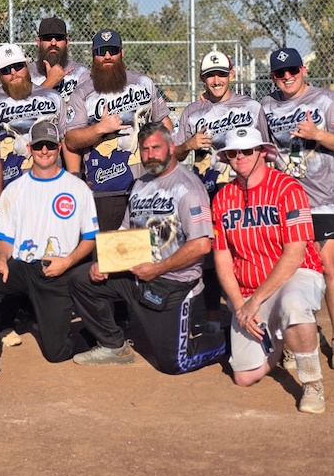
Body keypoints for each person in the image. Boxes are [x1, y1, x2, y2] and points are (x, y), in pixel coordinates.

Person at [70, 122, 227, 374]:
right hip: (137, 275)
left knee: (175, 363)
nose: (150, 154)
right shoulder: (140, 184)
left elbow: (201, 244)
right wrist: (106, 263)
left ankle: (229, 339)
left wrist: (157, 269)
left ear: (171, 147)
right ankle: (113, 345)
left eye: (156, 147)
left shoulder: (188, 187)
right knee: (82, 278)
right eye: (145, 149)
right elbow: (125, 231)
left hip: (173, 283)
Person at [210, 127, 327, 414]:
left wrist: (254, 302)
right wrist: (239, 305)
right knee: (244, 377)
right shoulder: (223, 198)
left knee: (293, 304)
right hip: (250, 290)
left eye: (248, 151)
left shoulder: (288, 189)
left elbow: (294, 255)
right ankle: (284, 338)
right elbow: (223, 259)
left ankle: (312, 382)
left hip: (295, 275)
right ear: (227, 158)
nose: (241, 157)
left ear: (262, 152)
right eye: (233, 153)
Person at [0, 121, 98, 385]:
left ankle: (87, 333)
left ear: (59, 148)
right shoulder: (14, 190)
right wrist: (1, 260)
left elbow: (89, 239)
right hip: (21, 267)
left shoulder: (78, 189)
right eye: (38, 145)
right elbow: (4, 238)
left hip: (57, 271)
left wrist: (68, 262)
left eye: (50, 146)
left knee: (57, 354)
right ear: (29, 148)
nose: (44, 150)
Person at [261, 47, 334, 370]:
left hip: (322, 200)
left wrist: (317, 134)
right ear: (273, 76)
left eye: (292, 71)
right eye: (279, 73)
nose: (287, 77)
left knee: (328, 266)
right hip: (285, 202)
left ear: (303, 70)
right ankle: (293, 338)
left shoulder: (327, 100)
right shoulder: (267, 106)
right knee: (287, 269)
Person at [172, 50, 270, 317]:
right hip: (207, 192)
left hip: (243, 192)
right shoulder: (192, 112)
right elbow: (175, 153)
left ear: (232, 75)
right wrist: (188, 145)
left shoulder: (251, 107)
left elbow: (266, 151)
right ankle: (214, 318)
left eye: (221, 74)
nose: (216, 80)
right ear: (202, 78)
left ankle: (257, 310)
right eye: (210, 75)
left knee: (248, 248)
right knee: (211, 256)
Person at [64, 28, 172, 231]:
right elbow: (71, 140)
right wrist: (100, 128)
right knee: (110, 255)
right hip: (106, 190)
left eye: (112, 50)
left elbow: (165, 124)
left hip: (148, 185)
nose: (107, 56)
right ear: (93, 55)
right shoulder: (82, 94)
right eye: (101, 51)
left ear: (121, 53)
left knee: (149, 253)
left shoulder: (143, 83)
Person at [0, 43, 68, 195]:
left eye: (18, 66)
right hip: (8, 191)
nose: (13, 72)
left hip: (51, 188)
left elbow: (65, 139)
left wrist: (73, 178)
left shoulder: (52, 97)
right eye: (6, 70)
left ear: (26, 65)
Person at [30, 17, 90, 101]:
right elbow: (19, 108)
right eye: (48, 38)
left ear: (67, 42)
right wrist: (50, 82)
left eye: (58, 38)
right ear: (39, 42)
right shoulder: (27, 73)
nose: (53, 43)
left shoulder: (80, 73)